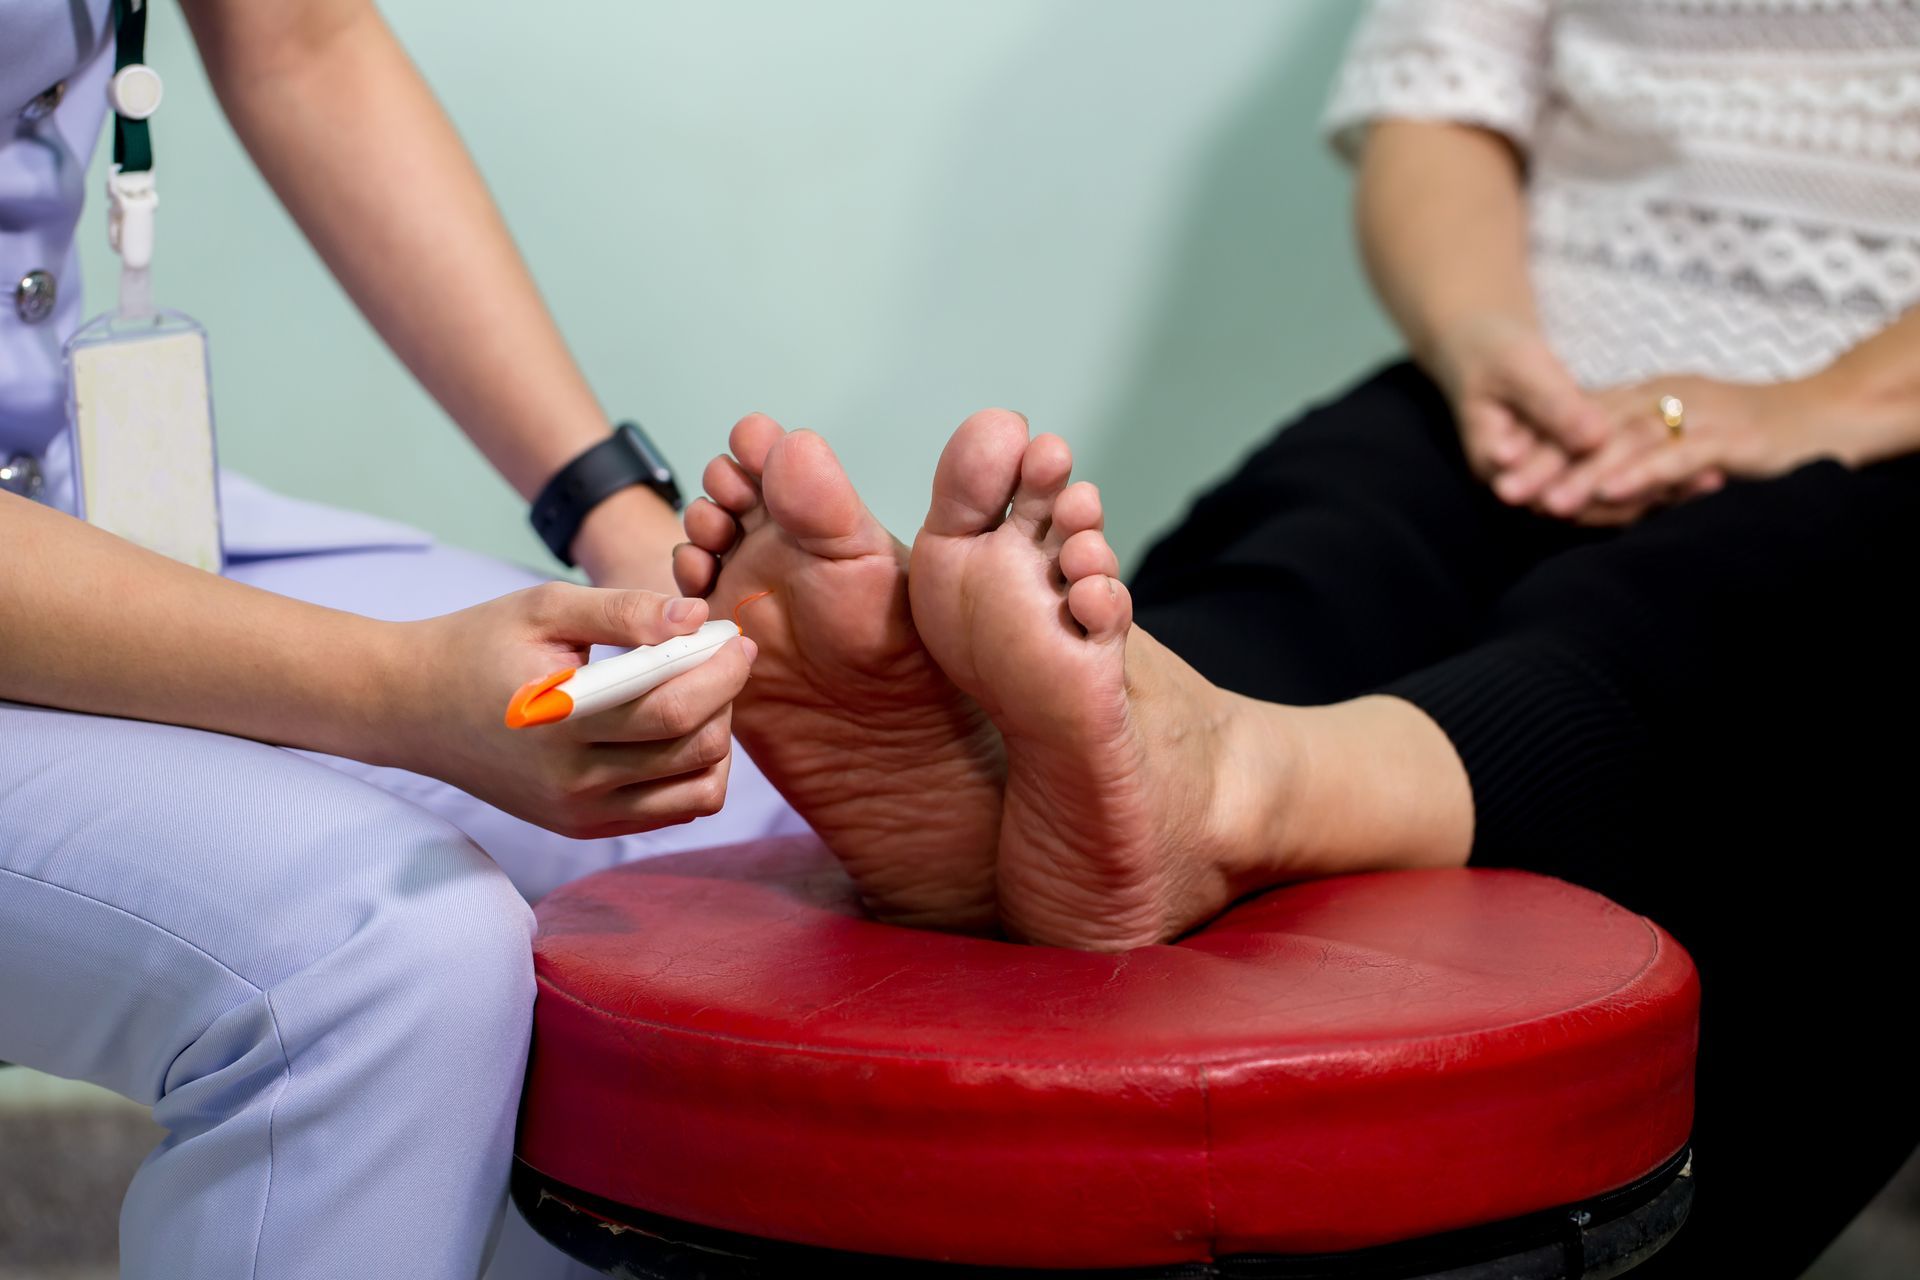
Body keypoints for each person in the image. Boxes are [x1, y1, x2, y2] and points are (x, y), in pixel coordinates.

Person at [664, 1, 1920, 1274]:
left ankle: (1225, 783)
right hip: (1561, 383)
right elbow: (1441, 103)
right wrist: (1485, 346)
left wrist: (1815, 406)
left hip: (1886, 427)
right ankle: (1023, 780)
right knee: (1316, 547)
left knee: (1708, 610)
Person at [3, 1, 811, 1275]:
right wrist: (397, 690)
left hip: (66, 498)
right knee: (380, 958)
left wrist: (620, 516)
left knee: (738, 806)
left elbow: (300, 39)